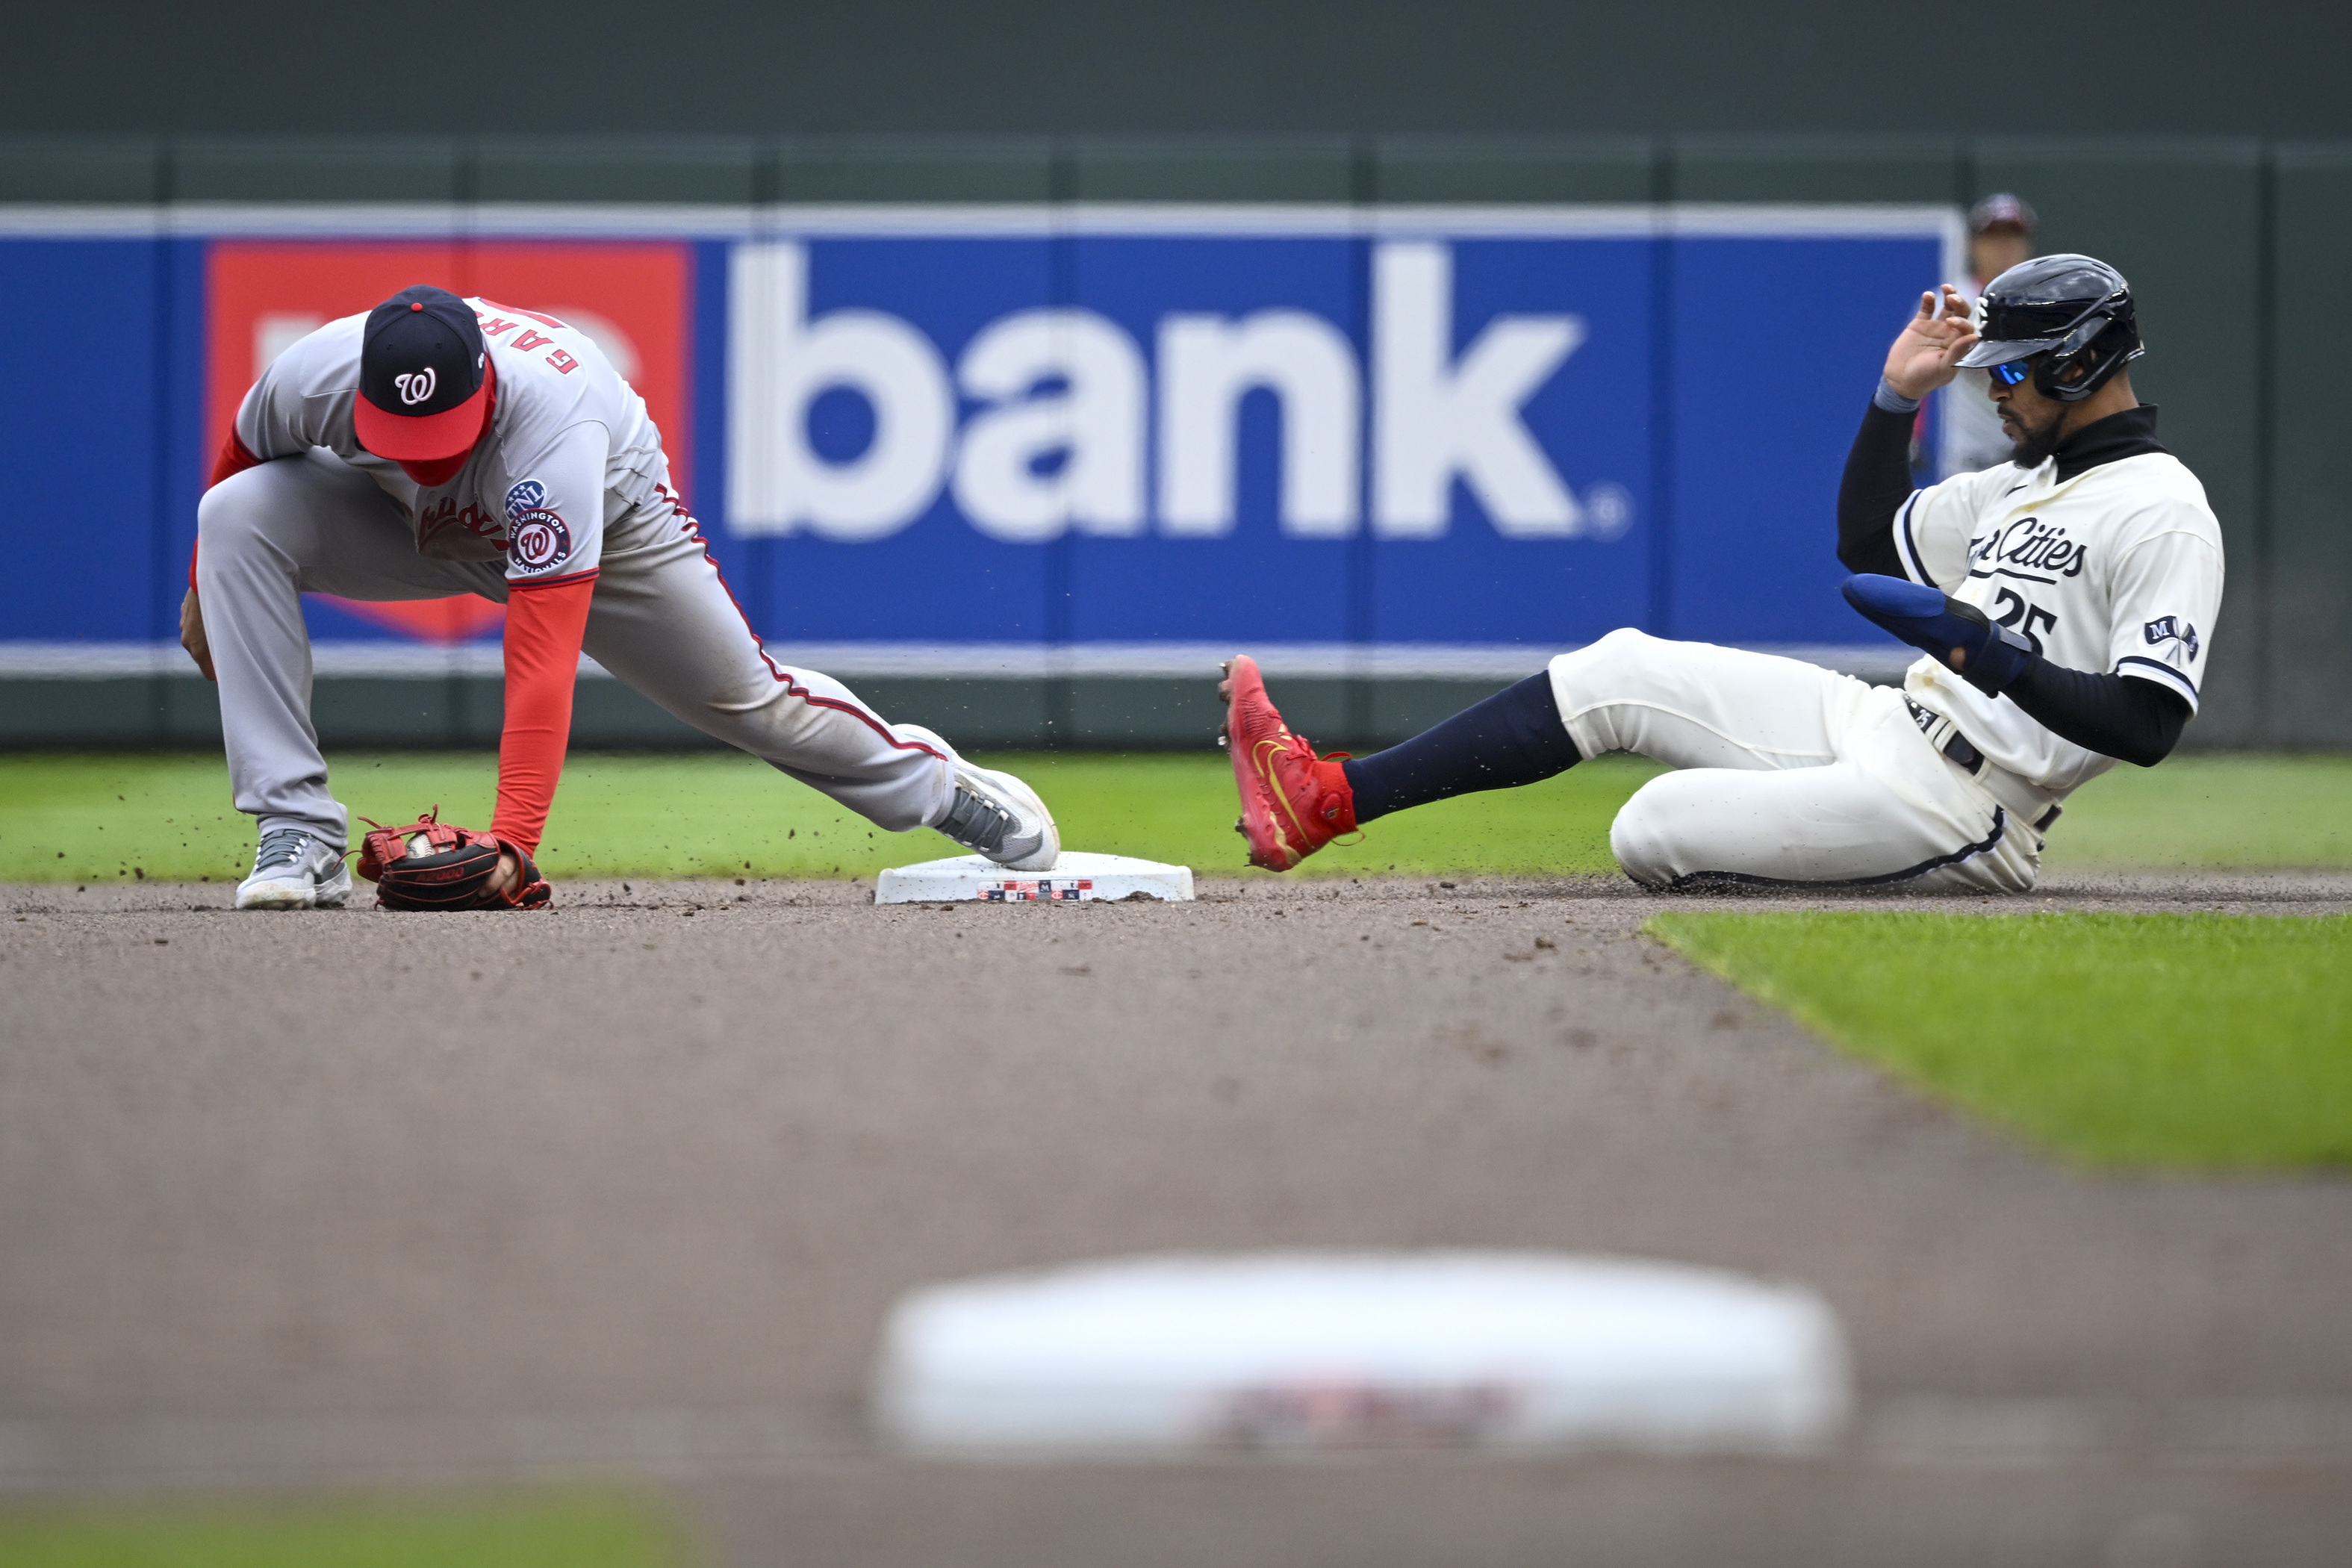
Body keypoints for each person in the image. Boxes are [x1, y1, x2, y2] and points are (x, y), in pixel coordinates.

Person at [1219, 255, 2221, 894]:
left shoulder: (2161, 511)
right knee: (1618, 668)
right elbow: (1868, 542)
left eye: (2008, 370)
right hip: (1884, 723)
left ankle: (1834, 852)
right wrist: (1889, 398)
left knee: (1650, 828)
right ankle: (1322, 797)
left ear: (2080, 364)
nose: (1991, 390)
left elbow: (2145, 725)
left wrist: (1986, 653)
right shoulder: (2022, 479)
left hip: (1969, 805)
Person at [184, 284, 1057, 909]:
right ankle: (296, 831)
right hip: (410, 523)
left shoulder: (555, 425)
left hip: (612, 526)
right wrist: (202, 590)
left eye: (438, 431)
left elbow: (541, 653)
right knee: (233, 516)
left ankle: (937, 789)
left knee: (751, 701)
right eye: (401, 432)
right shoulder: (317, 372)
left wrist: (514, 841)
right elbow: (240, 460)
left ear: (482, 387)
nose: (422, 447)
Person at [1940, 193, 2039, 477]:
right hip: (1971, 462)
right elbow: (1915, 376)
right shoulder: (1952, 301)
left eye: (2012, 237)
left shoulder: (2045, 303)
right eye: (1993, 237)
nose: (2003, 247)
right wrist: (1913, 434)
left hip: (2033, 457)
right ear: (1973, 244)